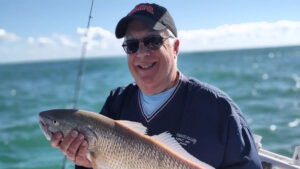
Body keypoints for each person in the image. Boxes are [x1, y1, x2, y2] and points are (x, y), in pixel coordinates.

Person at [51, 3, 263, 169]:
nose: (142, 53)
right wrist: (85, 162)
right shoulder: (117, 102)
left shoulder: (219, 110)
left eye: (153, 41)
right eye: (132, 45)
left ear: (175, 48)